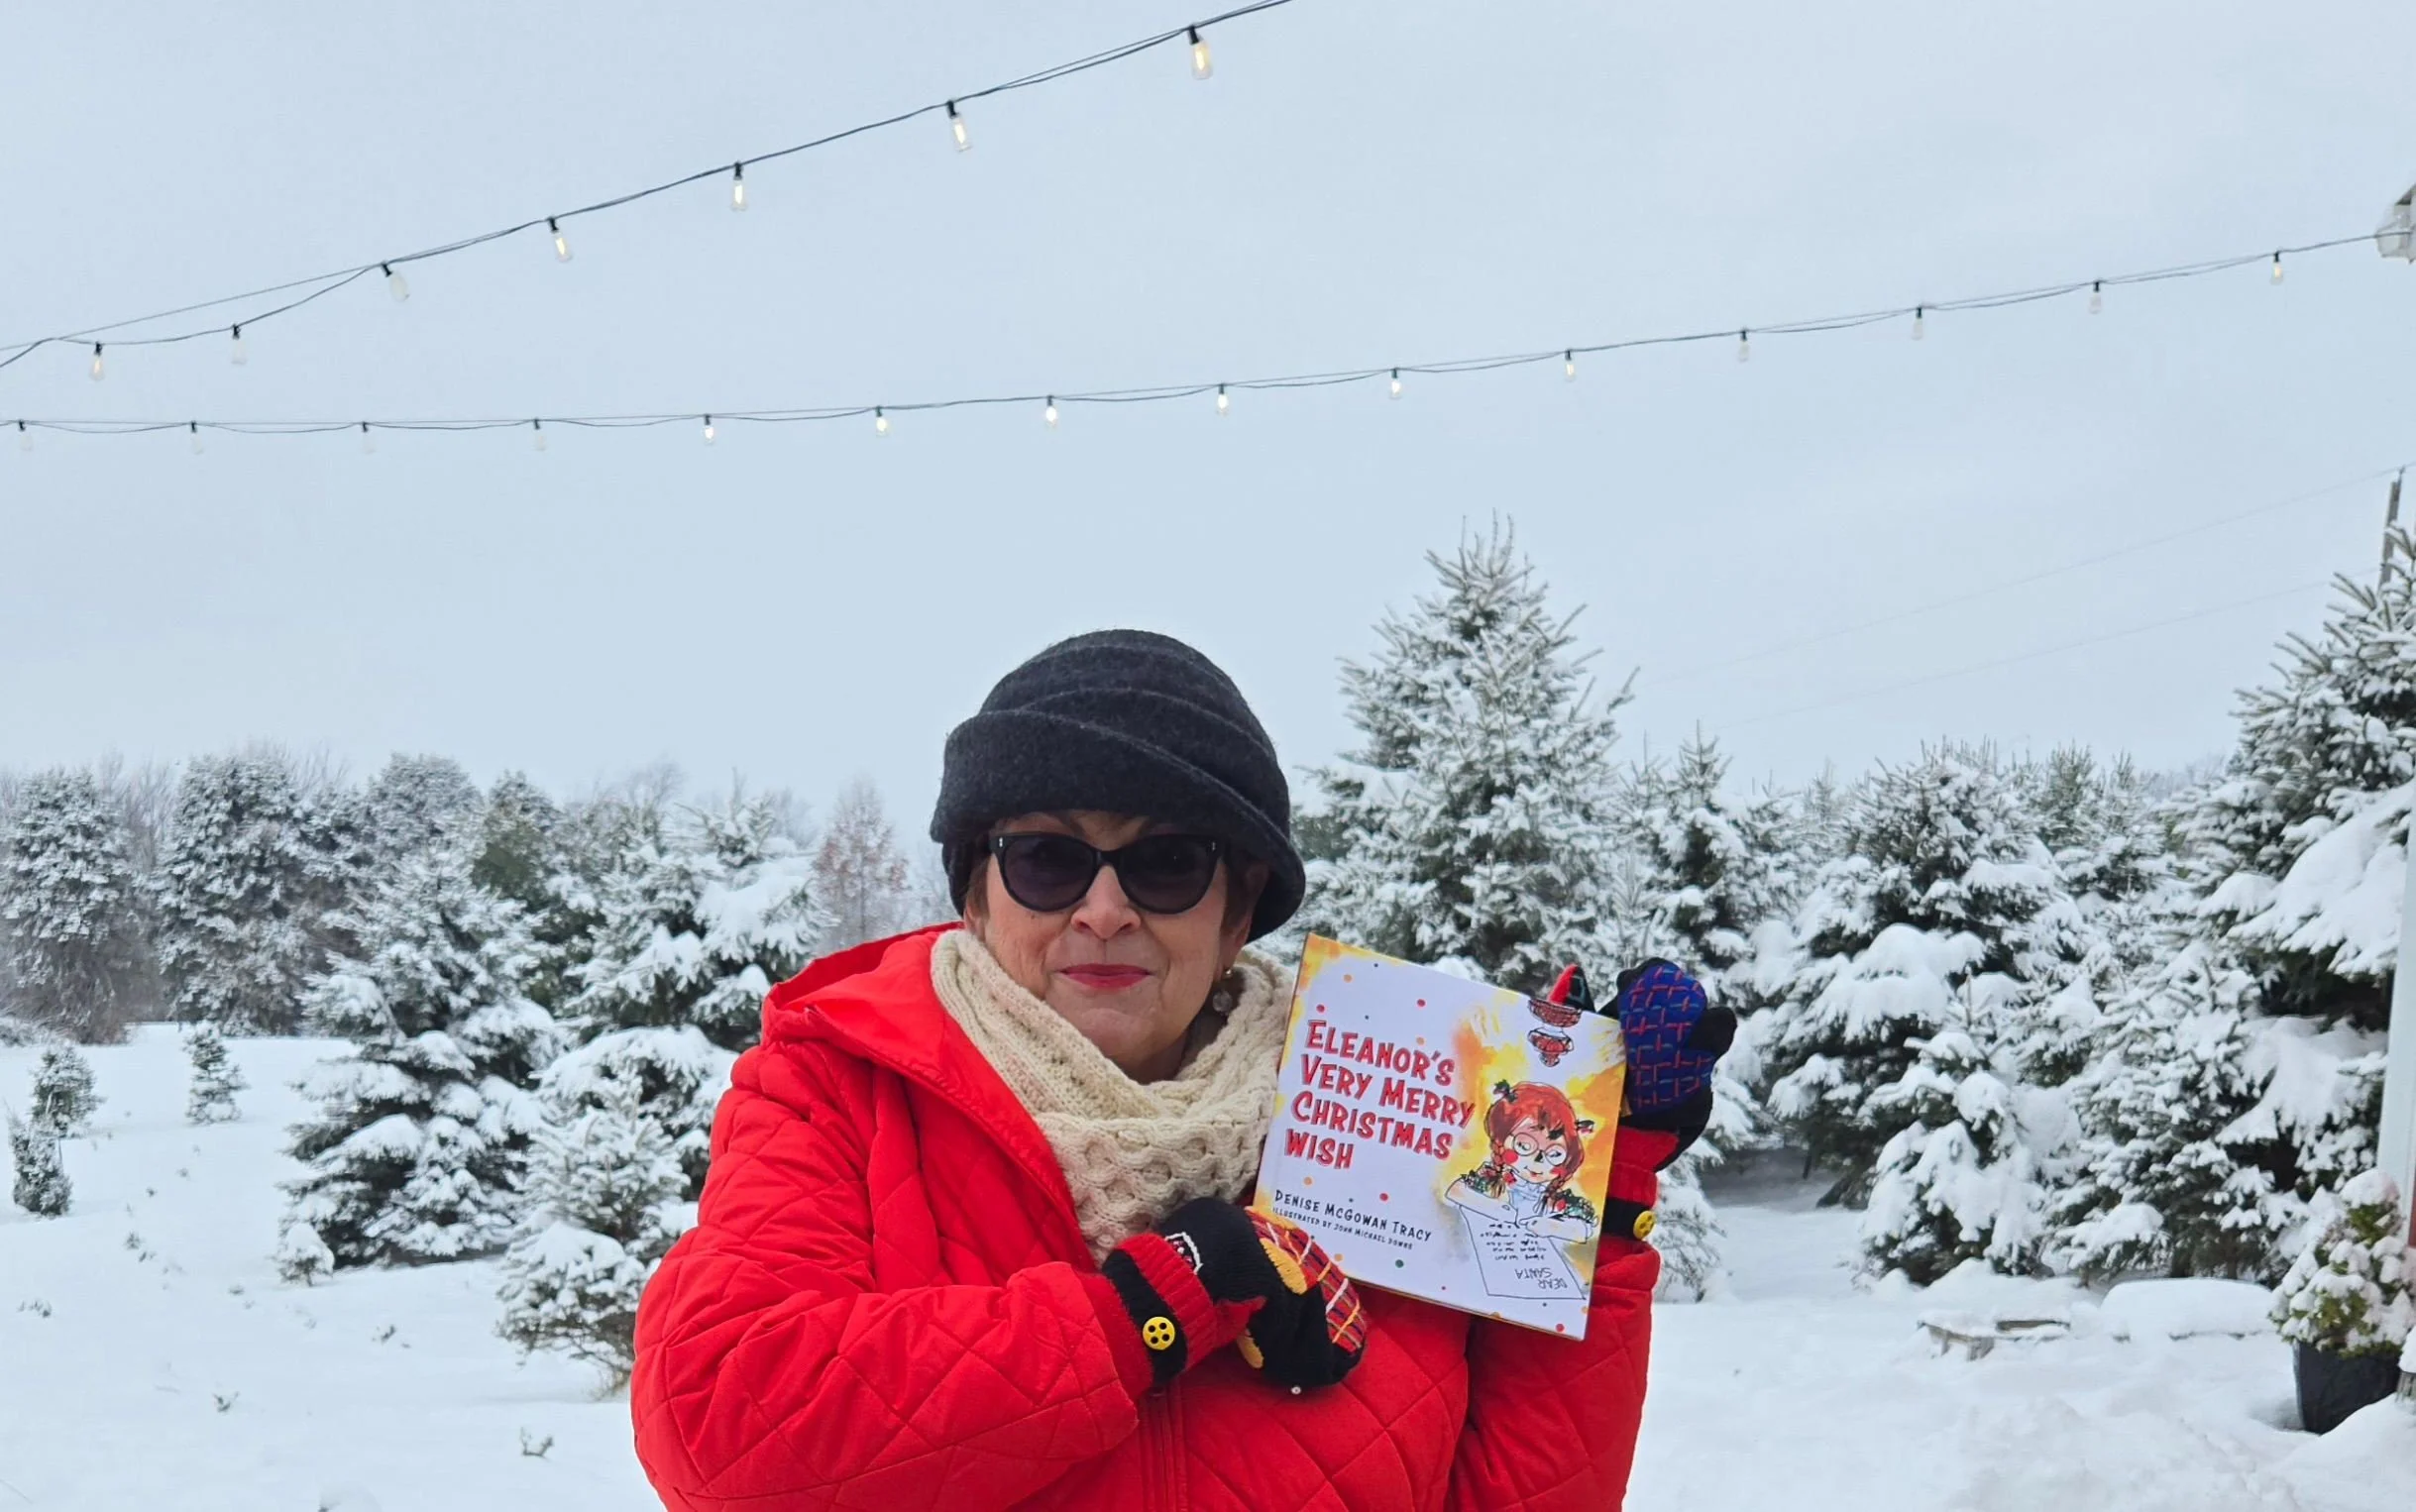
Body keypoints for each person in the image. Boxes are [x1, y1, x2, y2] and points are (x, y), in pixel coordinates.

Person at [630, 629, 1734, 1512]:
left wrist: (1599, 1179)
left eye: (1164, 862)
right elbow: (719, 1426)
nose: (1101, 908)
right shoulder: (842, 1086)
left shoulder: (1389, 1107)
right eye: (1048, 856)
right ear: (975, 891)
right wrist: (1146, 1310)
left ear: (1236, 906)